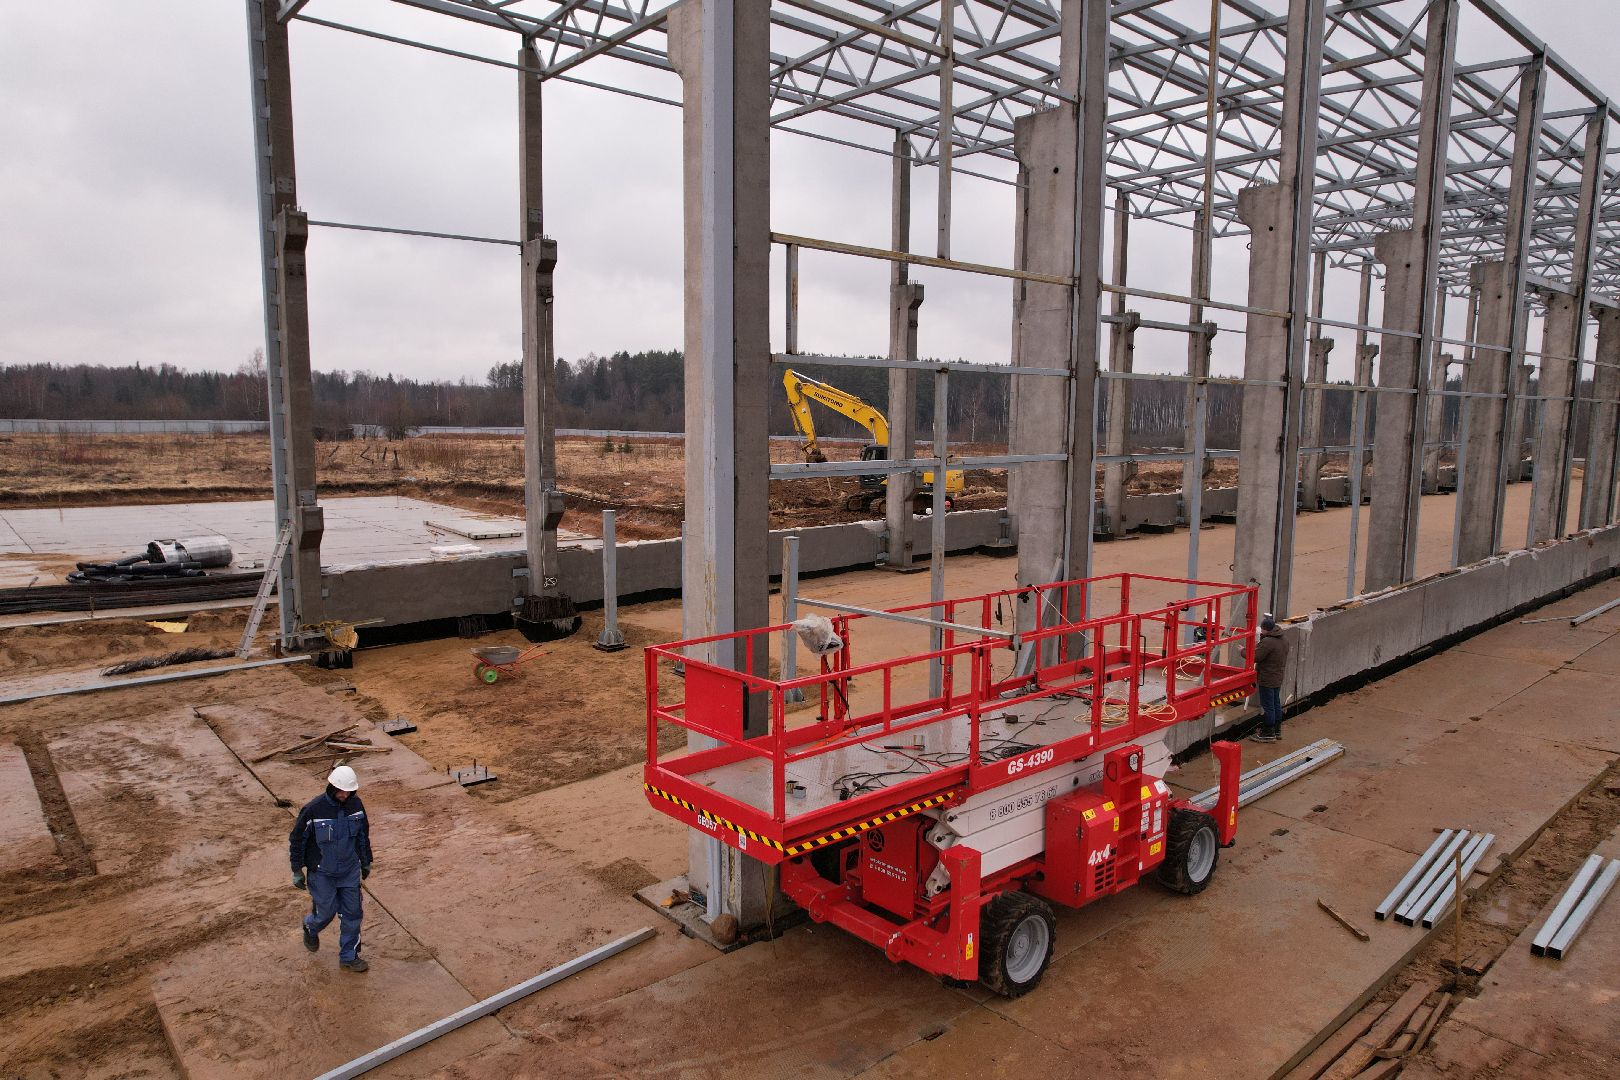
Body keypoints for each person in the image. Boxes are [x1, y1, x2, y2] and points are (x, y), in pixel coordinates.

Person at [290, 764, 373, 972]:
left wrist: (365, 861)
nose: (345, 795)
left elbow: (363, 835)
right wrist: (297, 869)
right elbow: (297, 840)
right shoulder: (313, 810)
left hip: (349, 871)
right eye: (341, 791)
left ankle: (349, 955)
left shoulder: (356, 806)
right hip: (322, 873)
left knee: (353, 913)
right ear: (332, 787)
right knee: (326, 912)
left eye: (349, 791)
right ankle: (311, 926)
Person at [1252, 613, 1289, 743]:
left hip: (1267, 678)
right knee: (1275, 703)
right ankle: (1277, 730)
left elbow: (1256, 656)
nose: (1260, 630)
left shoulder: (1268, 641)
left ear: (1265, 629)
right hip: (1278, 677)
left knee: (1268, 706)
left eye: (1262, 629)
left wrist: (1242, 651)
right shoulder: (1283, 639)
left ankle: (1268, 733)